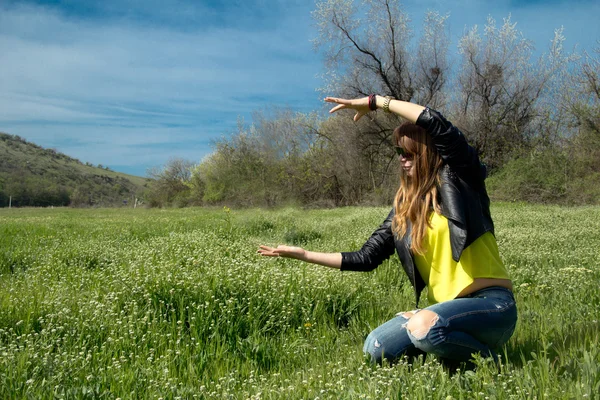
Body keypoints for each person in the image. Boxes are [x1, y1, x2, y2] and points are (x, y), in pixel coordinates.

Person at [258, 95, 517, 368]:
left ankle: (493, 363)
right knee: (376, 347)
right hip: (442, 310)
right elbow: (366, 257)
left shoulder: (463, 177)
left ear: (429, 152)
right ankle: (441, 341)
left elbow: (437, 124)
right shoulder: (404, 209)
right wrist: (304, 254)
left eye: (410, 153)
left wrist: (375, 102)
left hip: (490, 305)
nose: (403, 160)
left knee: (423, 328)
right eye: (399, 153)